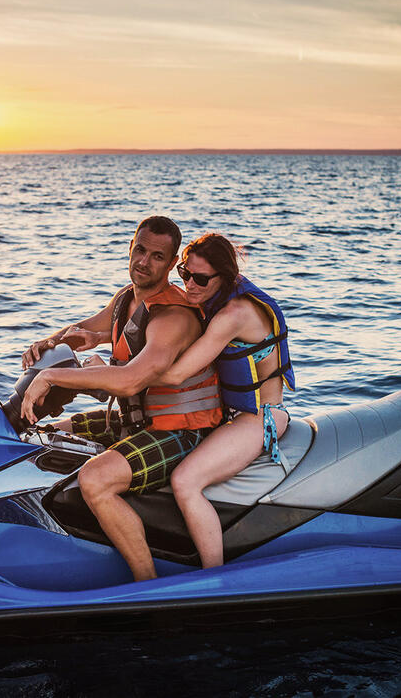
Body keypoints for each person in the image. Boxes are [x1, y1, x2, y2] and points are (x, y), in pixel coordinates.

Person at [20, 216, 223, 581]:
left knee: (95, 480)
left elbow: (130, 380)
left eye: (157, 257)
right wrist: (47, 344)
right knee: (46, 435)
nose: (144, 262)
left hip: (181, 432)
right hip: (137, 421)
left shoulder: (173, 316)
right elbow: (84, 328)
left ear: (172, 262)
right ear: (131, 246)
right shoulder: (127, 298)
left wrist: (52, 376)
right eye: (140, 250)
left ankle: (147, 584)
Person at [159, 232, 295, 569]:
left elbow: (175, 375)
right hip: (231, 415)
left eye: (201, 278)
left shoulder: (233, 314)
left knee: (185, 482)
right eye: (184, 273)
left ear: (225, 276)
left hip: (259, 418)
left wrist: (117, 374)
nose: (189, 284)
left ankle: (214, 577)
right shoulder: (215, 295)